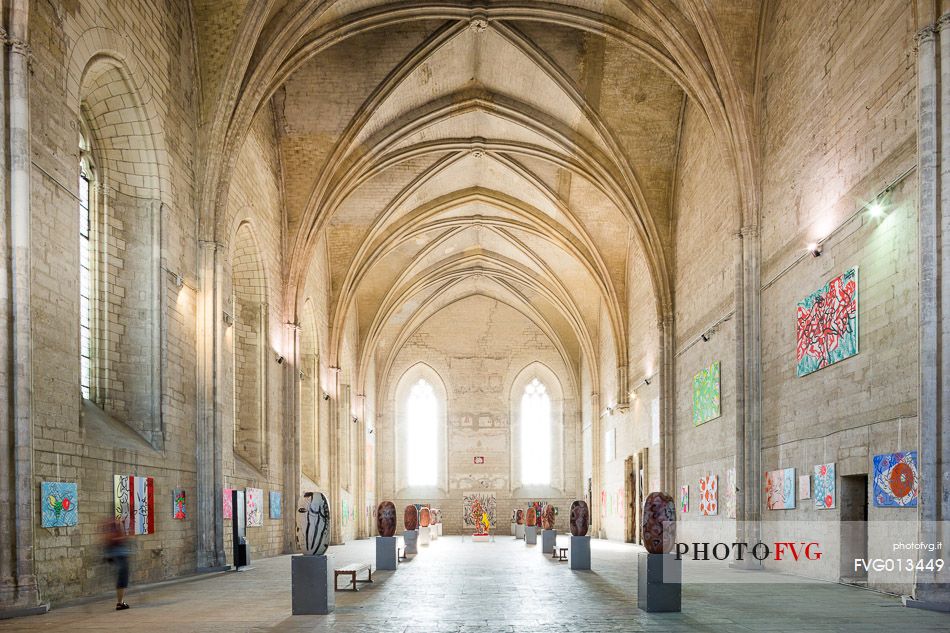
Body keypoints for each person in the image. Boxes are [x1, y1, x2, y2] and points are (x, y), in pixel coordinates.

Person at [104, 518, 131, 610]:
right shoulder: (116, 528)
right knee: (122, 579)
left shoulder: (110, 528)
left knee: (121, 578)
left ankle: (121, 601)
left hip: (113, 554)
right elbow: (121, 538)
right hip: (120, 555)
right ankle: (120, 603)